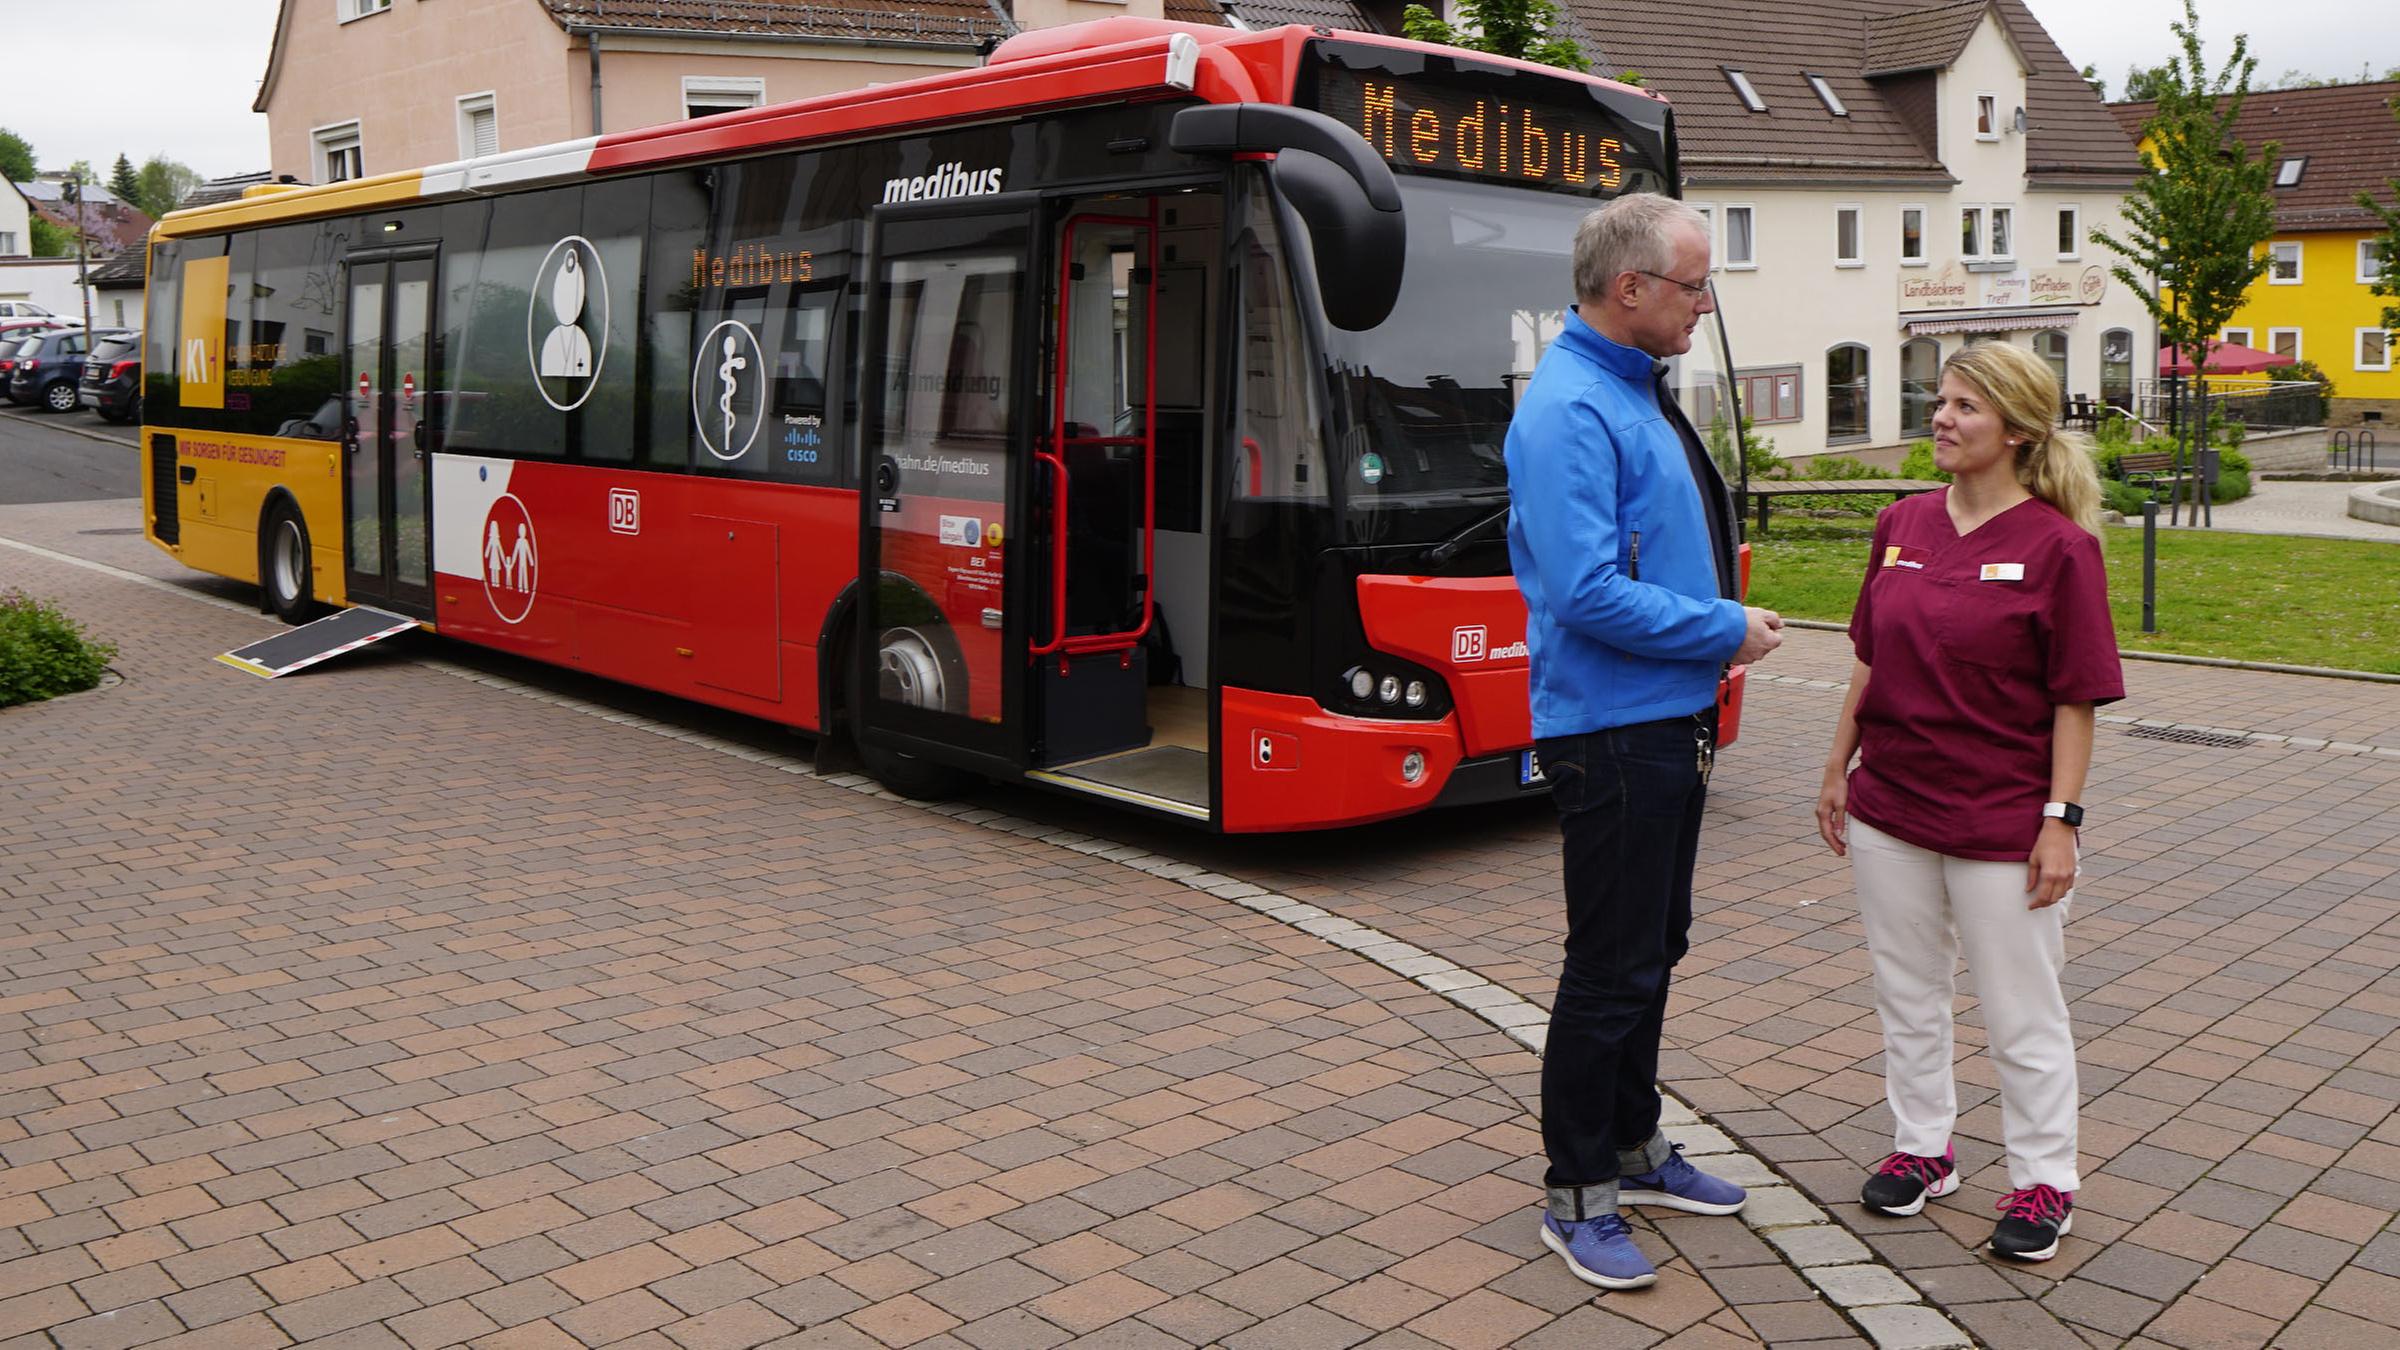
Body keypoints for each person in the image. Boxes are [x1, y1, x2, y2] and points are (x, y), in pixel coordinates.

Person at [1505, 193, 1785, 1291]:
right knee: (1610, 966)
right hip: (1612, 730)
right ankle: (1577, 1191)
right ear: (1631, 289)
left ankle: (1634, 1145)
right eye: (1694, 285)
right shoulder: (1574, 408)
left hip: (1658, 719)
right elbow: (1582, 591)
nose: (1706, 306)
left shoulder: (1627, 390)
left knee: (1650, 949)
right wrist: (1725, 627)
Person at [1814, 340, 2122, 1263]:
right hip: (1891, 808)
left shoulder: (2060, 548)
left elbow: (2076, 698)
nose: (1940, 418)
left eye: (1964, 407)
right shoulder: (1901, 522)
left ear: (2018, 431)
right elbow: (1870, 659)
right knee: (1905, 992)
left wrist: (2060, 824)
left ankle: (2043, 1179)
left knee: (2021, 1007)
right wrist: (1838, 769)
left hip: (2000, 818)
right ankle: (1923, 1148)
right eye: (1939, 400)